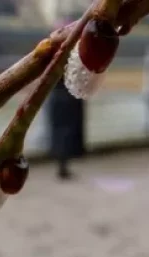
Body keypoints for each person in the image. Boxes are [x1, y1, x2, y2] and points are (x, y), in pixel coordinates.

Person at [46, 21, 86, 180]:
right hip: (68, 97)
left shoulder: (51, 53)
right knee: (66, 133)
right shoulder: (73, 52)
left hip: (58, 97)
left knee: (60, 132)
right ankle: (63, 165)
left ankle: (62, 164)